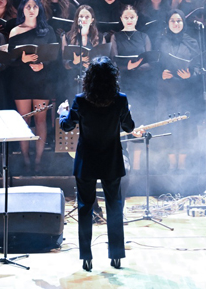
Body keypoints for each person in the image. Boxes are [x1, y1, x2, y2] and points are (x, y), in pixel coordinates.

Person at [58, 57, 144, 272]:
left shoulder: (80, 100)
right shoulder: (120, 100)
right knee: (114, 206)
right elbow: (128, 127)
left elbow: (67, 126)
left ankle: (86, 257)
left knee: (84, 207)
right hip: (111, 160)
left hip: (87, 161)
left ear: (90, 78)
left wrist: (61, 112)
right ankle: (116, 256)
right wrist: (125, 111)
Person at [8, 0, 58, 172]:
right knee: (23, 121)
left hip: (42, 80)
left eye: (34, 6)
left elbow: (54, 55)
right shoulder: (15, 31)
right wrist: (22, 60)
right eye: (28, 6)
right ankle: (25, 160)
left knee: (41, 121)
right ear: (22, 8)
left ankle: (38, 160)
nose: (31, 10)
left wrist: (43, 64)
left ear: (39, 9)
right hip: (21, 80)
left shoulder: (48, 30)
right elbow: (9, 60)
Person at [158, 9, 200, 170]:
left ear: (183, 23)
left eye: (179, 21)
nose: (176, 24)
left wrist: (189, 75)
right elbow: (155, 63)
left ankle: (182, 166)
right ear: (168, 23)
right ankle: (169, 165)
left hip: (185, 90)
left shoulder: (192, 42)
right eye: (173, 21)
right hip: (166, 89)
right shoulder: (161, 40)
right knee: (167, 124)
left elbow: (199, 67)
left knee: (184, 127)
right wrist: (161, 74)